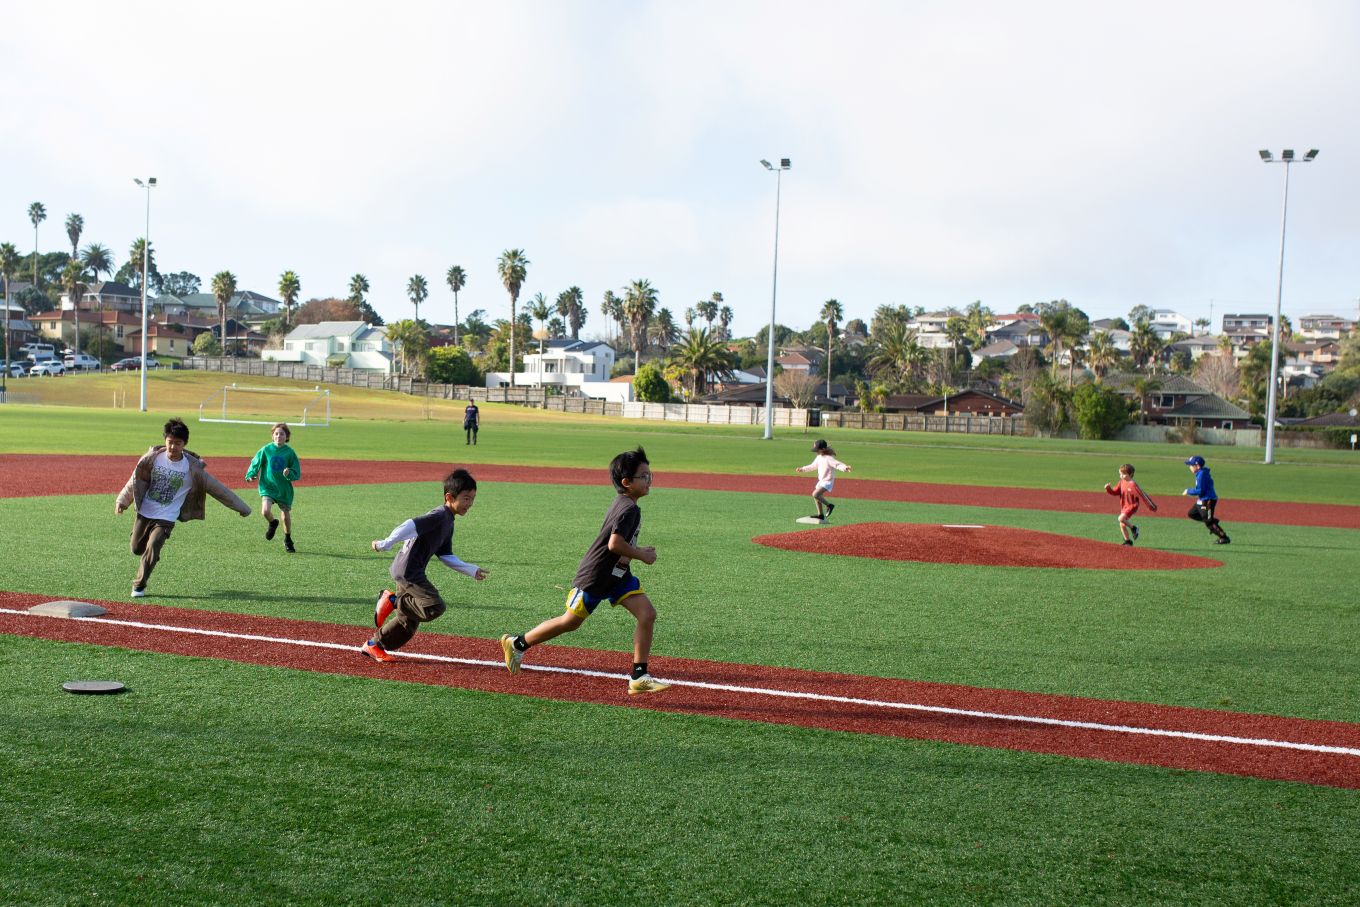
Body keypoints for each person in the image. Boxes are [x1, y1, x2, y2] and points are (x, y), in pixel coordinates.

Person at [499, 446, 669, 694]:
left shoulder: (627, 504)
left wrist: (638, 550)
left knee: (647, 614)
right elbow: (614, 544)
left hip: (619, 575)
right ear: (626, 482)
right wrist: (642, 555)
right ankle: (517, 644)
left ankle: (639, 676)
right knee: (570, 622)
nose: (649, 480)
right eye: (644, 476)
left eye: (649, 475)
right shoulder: (629, 508)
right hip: (597, 576)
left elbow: (619, 543)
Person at [361, 468, 489, 663]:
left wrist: (471, 570)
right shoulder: (439, 516)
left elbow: (446, 556)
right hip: (408, 572)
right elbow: (409, 525)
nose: (469, 504)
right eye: (465, 498)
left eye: (472, 499)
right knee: (434, 607)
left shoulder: (449, 522)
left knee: (407, 624)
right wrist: (385, 544)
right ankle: (393, 600)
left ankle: (373, 645)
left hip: (408, 571)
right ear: (449, 496)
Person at [114, 417, 251, 597]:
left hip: (167, 516)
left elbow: (219, 490)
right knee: (136, 549)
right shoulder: (152, 459)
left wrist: (242, 508)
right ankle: (150, 554)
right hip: (145, 511)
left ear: (184, 444)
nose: (173, 447)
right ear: (165, 440)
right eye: (170, 442)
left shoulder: (193, 469)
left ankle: (139, 585)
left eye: (178, 443)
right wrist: (122, 501)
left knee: (154, 544)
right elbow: (135, 481)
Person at [245, 422, 302, 553]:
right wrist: (251, 475)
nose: (278, 436)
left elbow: (296, 472)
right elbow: (255, 463)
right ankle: (272, 523)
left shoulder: (290, 453)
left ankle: (288, 539)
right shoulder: (265, 450)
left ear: (286, 437)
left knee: (285, 515)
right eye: (276, 433)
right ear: (272, 436)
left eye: (282, 434)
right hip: (268, 486)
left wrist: (289, 473)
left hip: (283, 489)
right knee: (265, 511)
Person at [795, 439, 852, 521]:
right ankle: (820, 515)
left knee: (815, 494)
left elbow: (837, 464)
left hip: (828, 481)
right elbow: (813, 466)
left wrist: (845, 468)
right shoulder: (819, 457)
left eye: (817, 450)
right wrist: (802, 469)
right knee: (817, 497)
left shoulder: (829, 458)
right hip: (821, 481)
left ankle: (829, 506)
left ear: (823, 449)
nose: (816, 452)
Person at [1104, 463, 1158, 546]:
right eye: (1120, 474)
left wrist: (1152, 506)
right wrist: (1108, 489)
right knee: (1122, 524)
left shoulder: (1133, 485)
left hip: (1132, 506)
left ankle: (1134, 528)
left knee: (1121, 518)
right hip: (1124, 506)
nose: (1121, 476)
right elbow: (1115, 492)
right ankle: (1128, 541)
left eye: (1123, 474)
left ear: (1131, 474)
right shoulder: (1122, 482)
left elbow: (1143, 496)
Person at [1183, 455, 1230, 544]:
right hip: (1202, 500)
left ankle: (1224, 537)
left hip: (1208, 501)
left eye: (1191, 465)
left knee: (1208, 523)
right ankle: (1211, 520)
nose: (1189, 467)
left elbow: (1200, 490)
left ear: (1197, 466)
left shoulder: (1202, 475)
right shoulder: (1200, 473)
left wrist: (1188, 491)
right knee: (1192, 514)